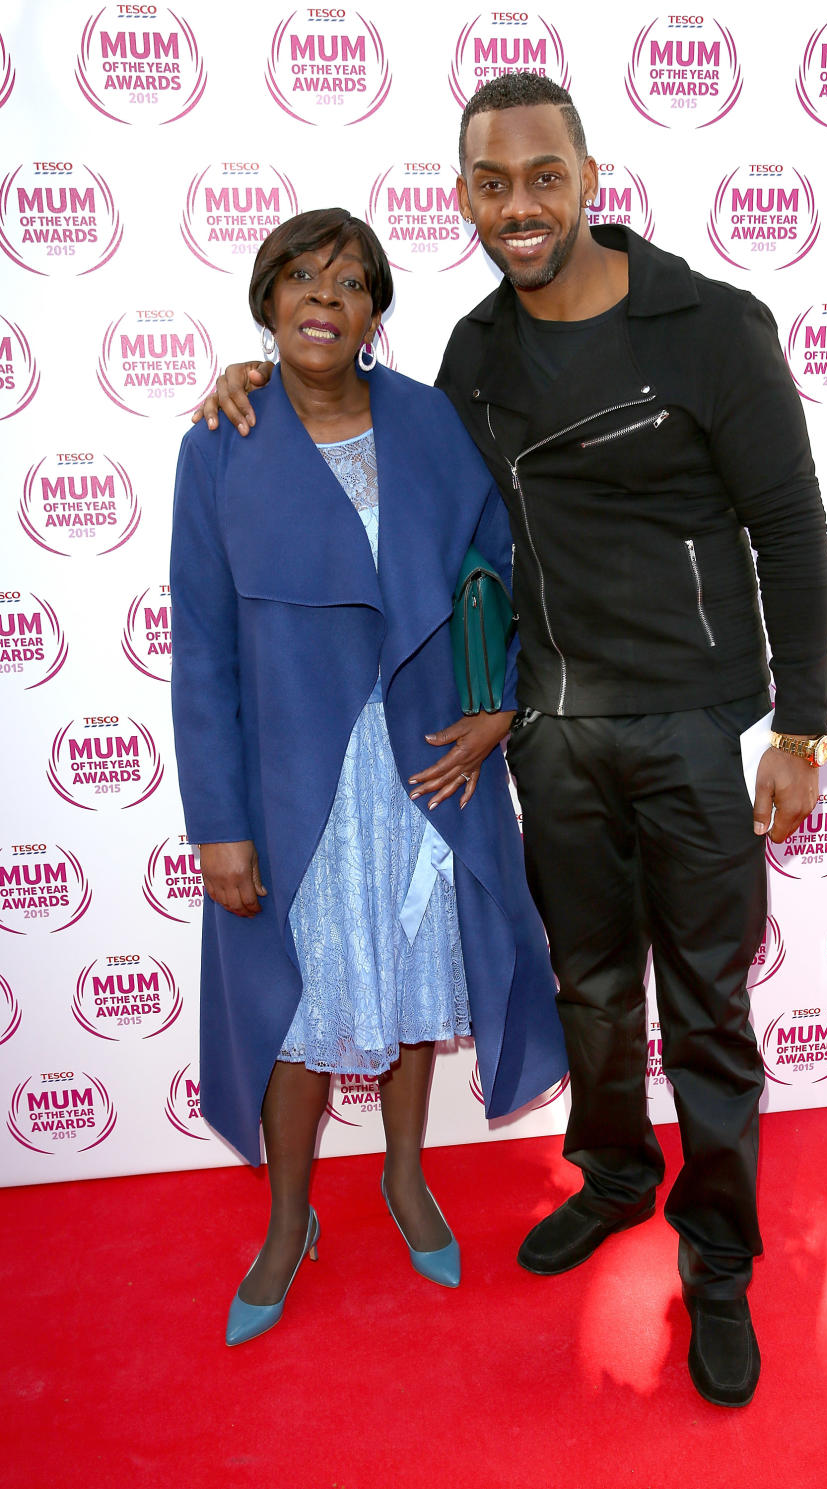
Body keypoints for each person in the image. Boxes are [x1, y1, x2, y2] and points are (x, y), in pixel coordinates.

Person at [197, 77, 827, 1406]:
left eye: (543, 176)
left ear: (587, 176)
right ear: (468, 200)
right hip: (549, 733)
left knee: (707, 1007)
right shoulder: (474, 357)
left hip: (693, 723)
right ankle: (611, 1182)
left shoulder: (713, 325)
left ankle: (718, 1264)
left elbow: (791, 528)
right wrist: (258, 374)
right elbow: (406, 479)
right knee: (594, 991)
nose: (521, 205)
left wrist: (805, 722)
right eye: (493, 183)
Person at [171, 207, 567, 1348]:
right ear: (266, 300)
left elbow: (495, 566)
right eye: (300, 279)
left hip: (425, 767)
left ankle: (404, 1181)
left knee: (403, 995)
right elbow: (201, 643)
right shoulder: (220, 443)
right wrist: (220, 823)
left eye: (347, 284)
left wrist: (499, 705)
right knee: (298, 1012)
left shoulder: (428, 421)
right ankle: (289, 1223)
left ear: (372, 314)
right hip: (297, 784)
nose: (322, 300)